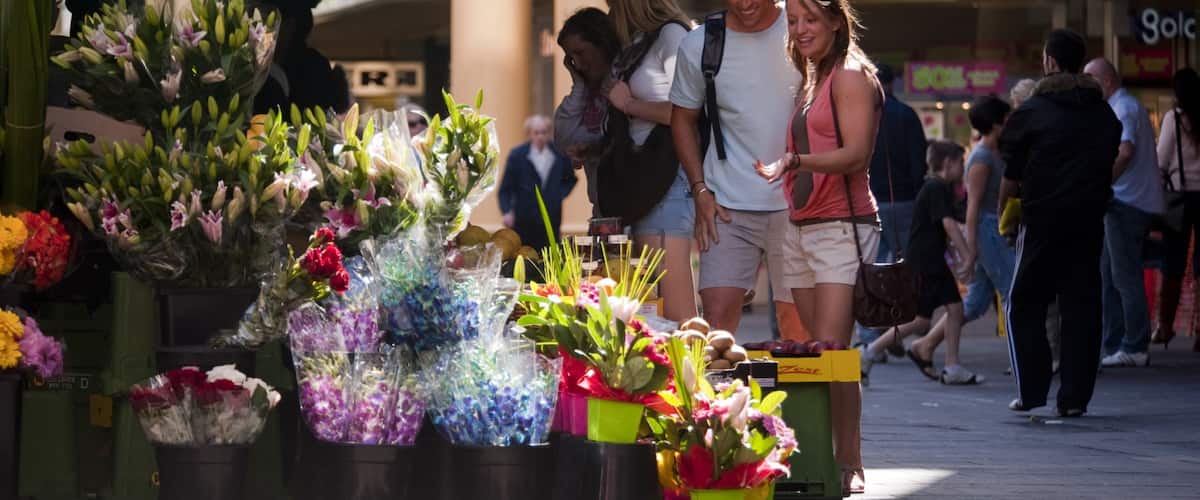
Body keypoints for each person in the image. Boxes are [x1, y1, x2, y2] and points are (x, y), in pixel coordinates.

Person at [752, 0, 877, 493]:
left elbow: (856, 152)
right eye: (795, 22)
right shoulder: (813, 76)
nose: (801, 30)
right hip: (801, 228)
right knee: (815, 349)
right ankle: (820, 455)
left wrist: (795, 161)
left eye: (811, 20)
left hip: (840, 228)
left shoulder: (848, 75)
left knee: (834, 354)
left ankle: (850, 463)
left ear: (834, 22)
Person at [998, 29, 1121, 417]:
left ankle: (1032, 392)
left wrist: (1006, 210)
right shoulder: (1104, 113)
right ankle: (1074, 399)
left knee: (1024, 303)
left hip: (1042, 220)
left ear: (1049, 62)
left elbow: (1012, 168)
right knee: (1082, 307)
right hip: (1088, 222)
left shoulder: (1033, 112)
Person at [669, 0, 802, 337]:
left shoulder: (803, 27)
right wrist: (699, 188)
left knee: (797, 327)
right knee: (716, 324)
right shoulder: (702, 43)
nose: (745, 3)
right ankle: (722, 391)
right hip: (727, 203)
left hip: (797, 204)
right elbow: (682, 119)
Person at [903, 96, 1016, 379]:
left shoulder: (994, 153)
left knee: (971, 303)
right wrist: (970, 251)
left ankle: (925, 345)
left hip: (988, 232)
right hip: (987, 232)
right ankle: (1021, 361)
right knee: (1012, 292)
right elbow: (972, 209)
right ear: (996, 124)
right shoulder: (980, 159)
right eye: (1007, 119)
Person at [860, 141, 983, 387]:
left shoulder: (937, 188)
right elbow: (947, 224)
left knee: (925, 319)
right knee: (950, 311)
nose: (963, 168)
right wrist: (968, 255)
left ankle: (870, 352)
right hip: (928, 262)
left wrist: (956, 254)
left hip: (926, 259)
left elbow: (939, 230)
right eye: (961, 162)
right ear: (948, 163)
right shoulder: (936, 188)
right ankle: (951, 365)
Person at [605, 0, 697, 321]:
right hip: (649, 183)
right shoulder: (643, 41)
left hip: (668, 181)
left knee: (675, 309)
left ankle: (692, 369)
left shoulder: (672, 36)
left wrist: (629, 104)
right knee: (656, 308)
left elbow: (685, 111)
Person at [1083, 58, 1165, 368]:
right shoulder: (1121, 106)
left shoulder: (1123, 108)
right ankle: (1114, 343)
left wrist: (1103, 182)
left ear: (1105, 81)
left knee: (1124, 276)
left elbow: (1125, 150)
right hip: (1122, 201)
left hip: (1126, 203)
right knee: (1109, 275)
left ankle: (1134, 344)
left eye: (1090, 81)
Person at [854, 62, 930, 360]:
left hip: (868, 200)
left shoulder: (862, 115)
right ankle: (893, 331)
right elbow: (918, 162)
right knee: (901, 270)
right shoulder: (906, 116)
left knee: (872, 267)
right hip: (903, 201)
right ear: (893, 83)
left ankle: (870, 335)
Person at [554, 8, 622, 216]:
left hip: (634, 207)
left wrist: (595, 148)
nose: (579, 64)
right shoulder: (586, 94)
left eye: (581, 52)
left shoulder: (626, 81)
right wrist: (579, 86)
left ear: (602, 43)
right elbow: (564, 140)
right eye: (571, 57)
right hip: (603, 209)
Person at [1152, 68, 1200, 354]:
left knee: (1172, 264)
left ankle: (1165, 326)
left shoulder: (1174, 119)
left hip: (1180, 199)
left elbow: (1161, 159)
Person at [498, 116, 578, 251]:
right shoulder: (517, 155)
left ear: (549, 133)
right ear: (529, 134)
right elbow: (505, 189)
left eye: (544, 132)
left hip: (551, 217)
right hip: (524, 218)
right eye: (536, 132)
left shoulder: (559, 154)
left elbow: (570, 178)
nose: (540, 136)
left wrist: (557, 195)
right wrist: (507, 212)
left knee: (550, 256)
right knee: (524, 255)